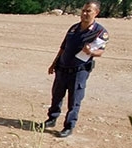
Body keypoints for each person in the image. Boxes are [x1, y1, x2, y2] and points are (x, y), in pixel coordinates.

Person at [44, 1, 109, 138]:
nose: (85, 13)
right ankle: (51, 119)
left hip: (79, 71)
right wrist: (54, 63)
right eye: (84, 10)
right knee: (56, 95)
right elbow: (63, 48)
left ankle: (68, 126)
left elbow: (101, 51)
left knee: (74, 100)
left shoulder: (100, 32)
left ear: (96, 13)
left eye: (89, 11)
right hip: (62, 68)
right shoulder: (74, 28)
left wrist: (91, 51)